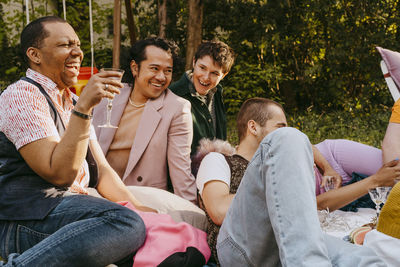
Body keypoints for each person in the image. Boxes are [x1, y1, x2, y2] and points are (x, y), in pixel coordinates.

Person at [0, 16, 149, 266]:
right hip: (24, 220)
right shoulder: (21, 95)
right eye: (65, 45)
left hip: (64, 212)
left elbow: (101, 171)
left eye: (78, 45)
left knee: (138, 224)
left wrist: (141, 209)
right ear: (34, 55)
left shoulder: (69, 100)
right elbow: (59, 174)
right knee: (125, 223)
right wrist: (85, 107)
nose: (77, 52)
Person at [196, 98, 398, 264]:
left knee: (367, 259)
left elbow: (313, 207)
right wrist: (279, 191)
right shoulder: (218, 160)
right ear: (253, 127)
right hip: (239, 247)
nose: (285, 130)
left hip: (285, 243)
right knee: (290, 137)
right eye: (280, 126)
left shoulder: (282, 167)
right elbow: (219, 210)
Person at [92, 37, 197, 203]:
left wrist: (191, 214)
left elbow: (181, 170)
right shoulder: (109, 96)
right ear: (135, 68)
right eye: (154, 68)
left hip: (140, 200)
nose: (161, 77)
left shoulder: (177, 108)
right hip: (94, 193)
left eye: (168, 71)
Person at [170, 40, 235, 157]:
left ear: (223, 75)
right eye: (202, 68)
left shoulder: (217, 92)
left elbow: (221, 137)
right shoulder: (173, 94)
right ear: (194, 62)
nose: (205, 78)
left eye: (214, 73)